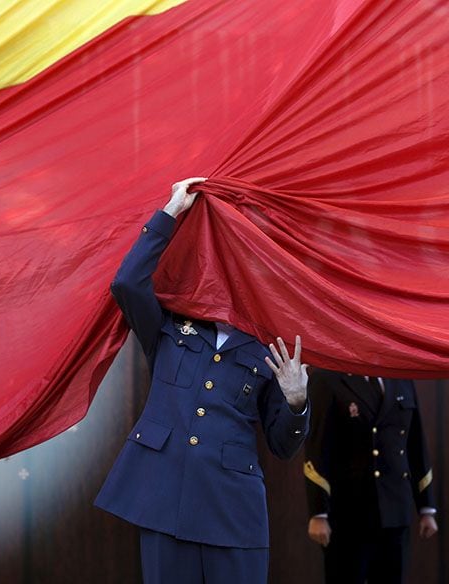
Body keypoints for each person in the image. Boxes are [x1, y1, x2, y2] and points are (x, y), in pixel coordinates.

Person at [94, 177, 312, 584]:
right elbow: (126, 283)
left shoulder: (268, 346)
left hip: (232, 508)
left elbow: (283, 445)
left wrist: (297, 402)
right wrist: (171, 212)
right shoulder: (172, 326)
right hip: (164, 497)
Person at [303, 367, 438, 584]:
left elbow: (415, 444)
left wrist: (426, 507)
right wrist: (318, 513)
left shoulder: (400, 375)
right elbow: (318, 447)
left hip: (395, 510)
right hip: (349, 512)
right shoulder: (327, 377)